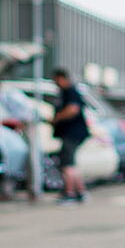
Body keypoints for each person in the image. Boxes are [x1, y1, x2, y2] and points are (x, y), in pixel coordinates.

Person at [48, 68, 90, 204]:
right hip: (72, 133)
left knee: (66, 164)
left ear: (61, 78)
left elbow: (73, 109)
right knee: (71, 164)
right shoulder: (66, 92)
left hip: (72, 133)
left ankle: (69, 193)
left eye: (55, 80)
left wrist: (57, 118)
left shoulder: (70, 92)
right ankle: (80, 191)